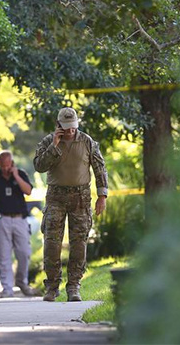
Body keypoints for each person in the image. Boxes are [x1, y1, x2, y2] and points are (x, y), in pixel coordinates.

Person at [33, 107, 108, 302]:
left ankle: (74, 286)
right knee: (51, 242)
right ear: (58, 125)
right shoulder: (49, 141)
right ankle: (52, 286)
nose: (70, 131)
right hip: (55, 197)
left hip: (80, 197)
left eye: (73, 127)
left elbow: (100, 169)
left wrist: (102, 196)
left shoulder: (87, 142)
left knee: (79, 243)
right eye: (66, 128)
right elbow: (39, 166)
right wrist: (54, 146)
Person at [0, 150, 39, 298]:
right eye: (3, 165)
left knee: (24, 253)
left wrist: (16, 175)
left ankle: (22, 282)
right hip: (2, 219)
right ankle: (7, 288)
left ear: (11, 163)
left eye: (8, 165)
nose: (5, 168)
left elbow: (28, 191)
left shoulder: (21, 174)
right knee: (3, 255)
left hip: (20, 219)